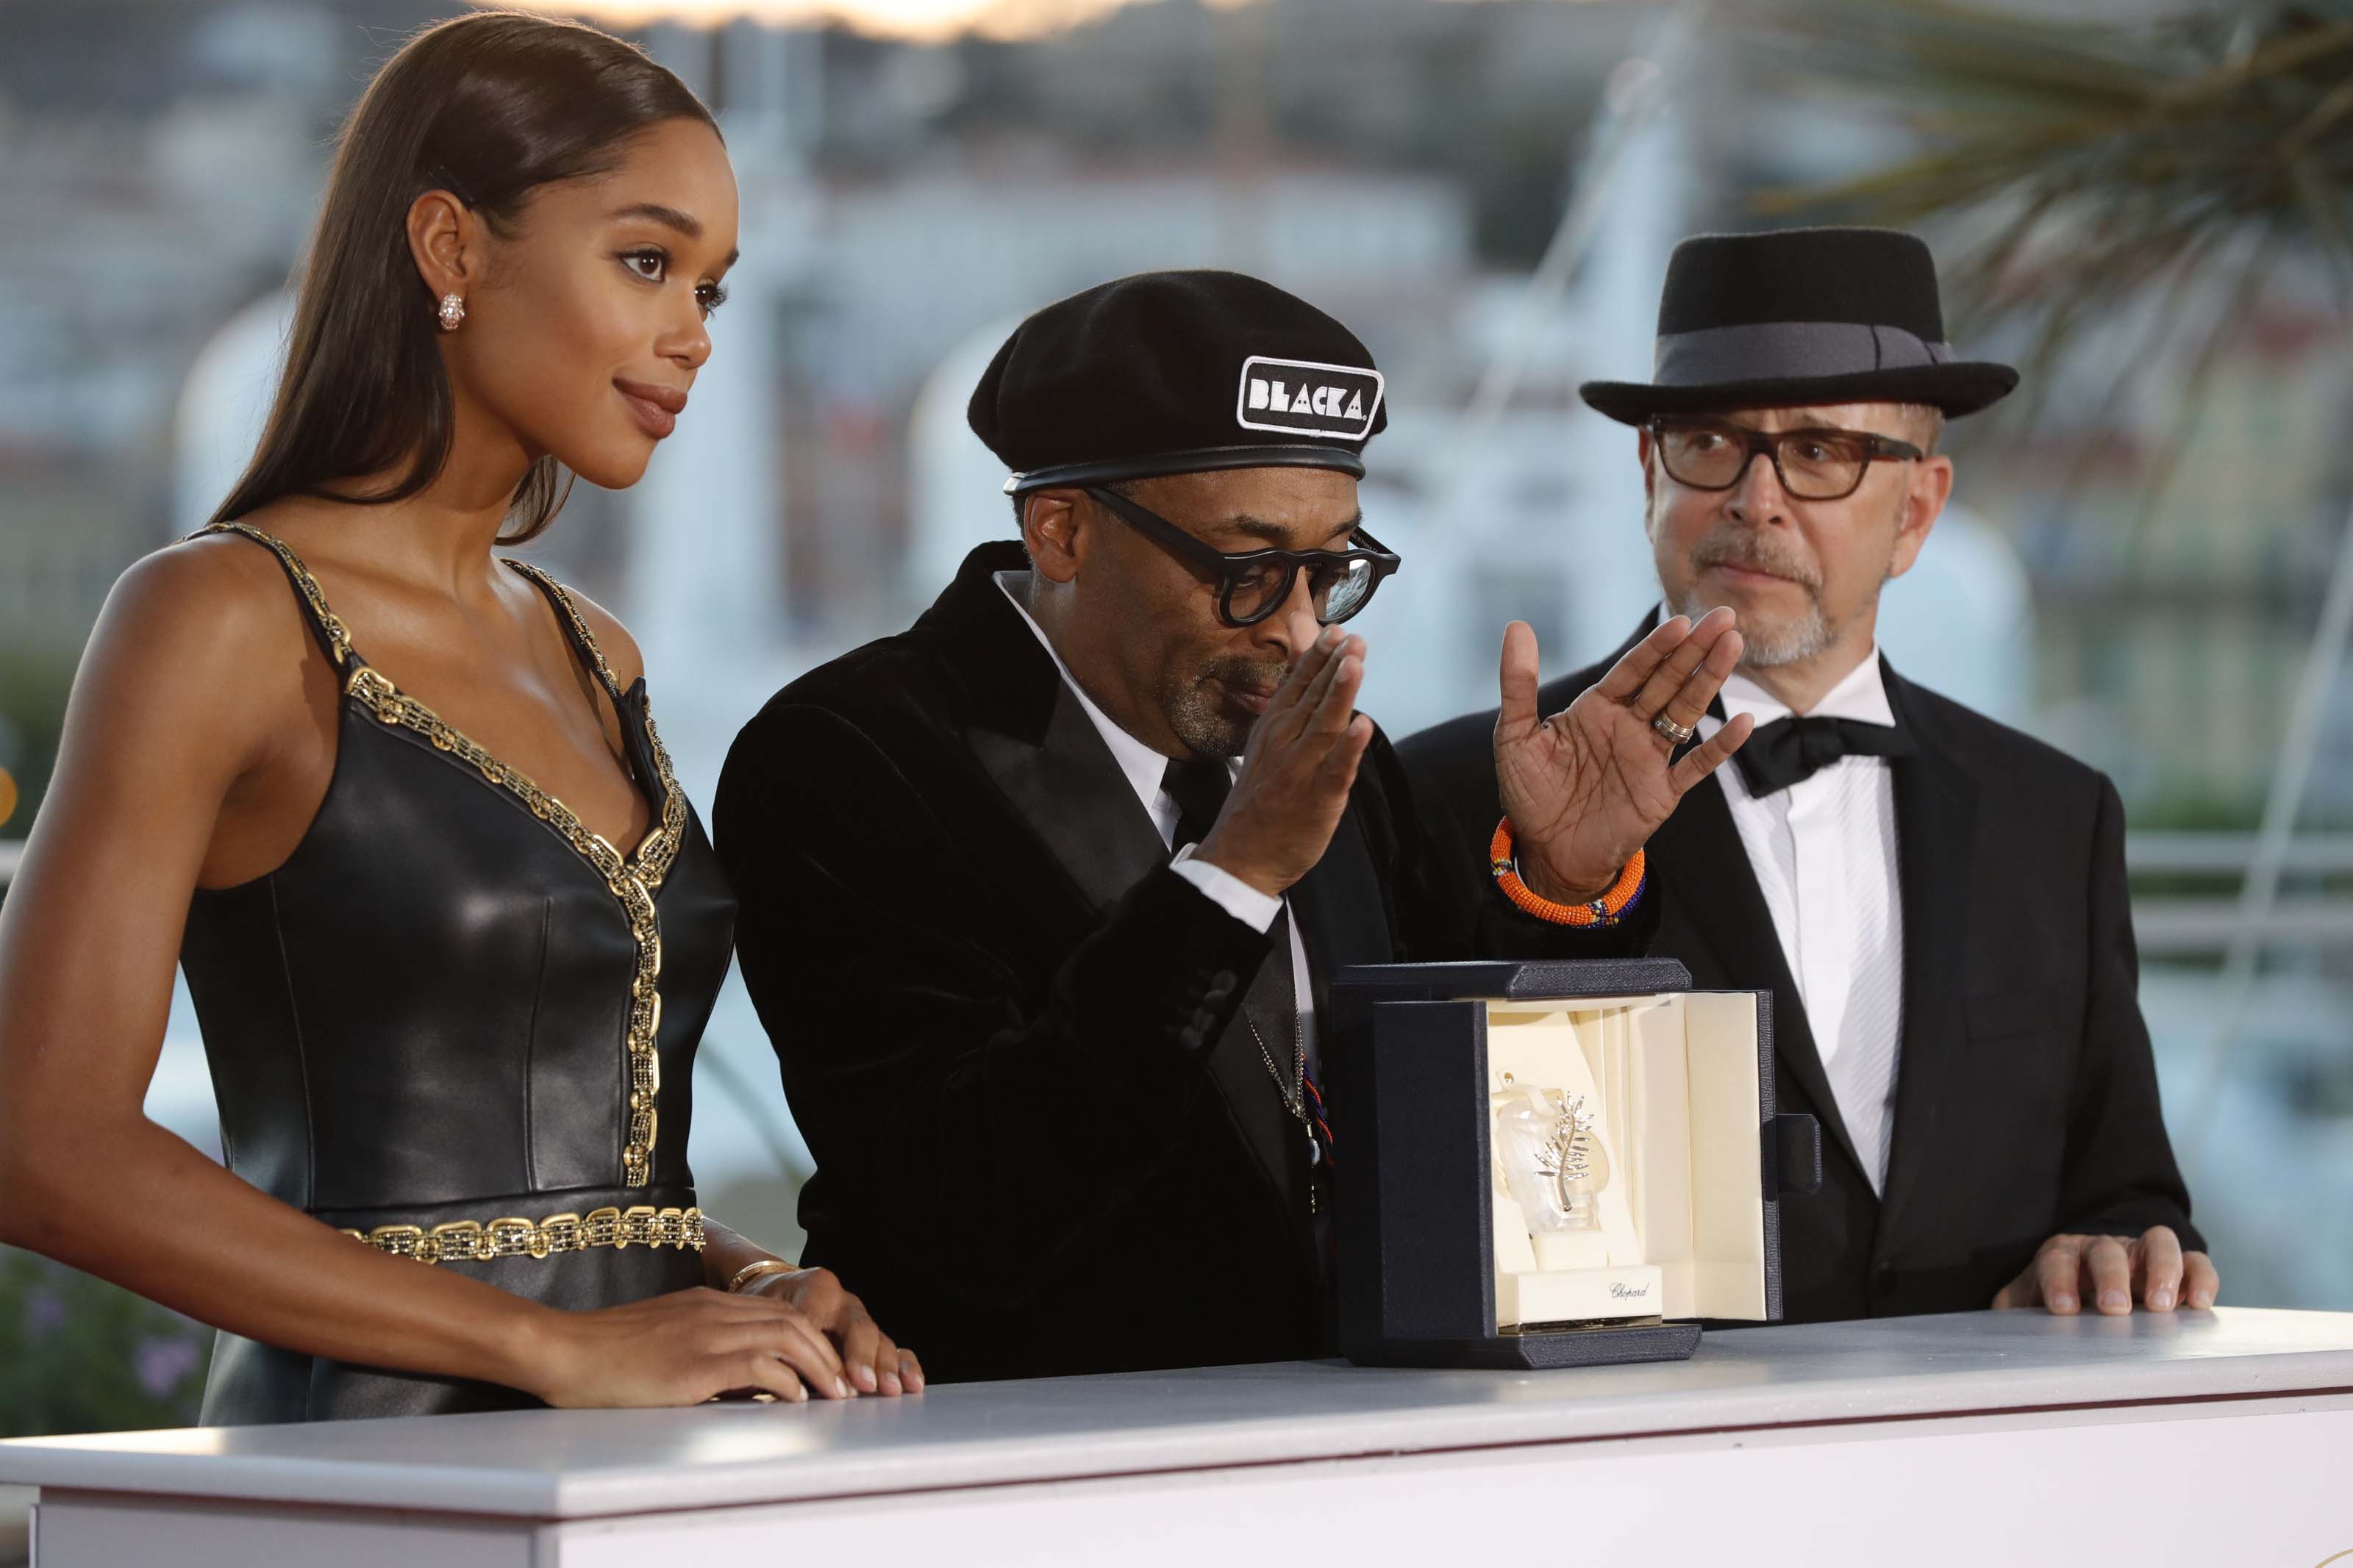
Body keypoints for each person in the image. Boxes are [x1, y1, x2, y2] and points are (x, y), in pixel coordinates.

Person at [0, 12, 917, 1423]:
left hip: (629, 1475)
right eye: (646, 261)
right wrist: (556, 1350)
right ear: (450, 249)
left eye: (712, 292)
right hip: (368, 1471)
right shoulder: (218, 620)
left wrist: (740, 1282)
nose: (689, 337)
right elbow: (36, 1145)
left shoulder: (590, 648)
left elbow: (566, 1171)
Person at [714, 270, 1751, 1383]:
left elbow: (1497, 1161)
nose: (1301, 630)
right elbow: (970, 1207)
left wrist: (1559, 883)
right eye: (1250, 572)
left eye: (1334, 571)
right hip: (1020, 1471)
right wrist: (1235, 875)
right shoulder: (846, 756)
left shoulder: (1334, 761)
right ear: (1062, 531)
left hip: (1359, 1458)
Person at [1401, 226, 2215, 1325]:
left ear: (1917, 511)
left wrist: (2118, 1251)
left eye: (1822, 451)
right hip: (1629, 1468)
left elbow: (2129, 1189)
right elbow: (1430, 1204)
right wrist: (1564, 885)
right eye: (1709, 443)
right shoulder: (1448, 793)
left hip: (1982, 1461)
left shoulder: (2056, 816)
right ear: (1650, 471)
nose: (1756, 497)